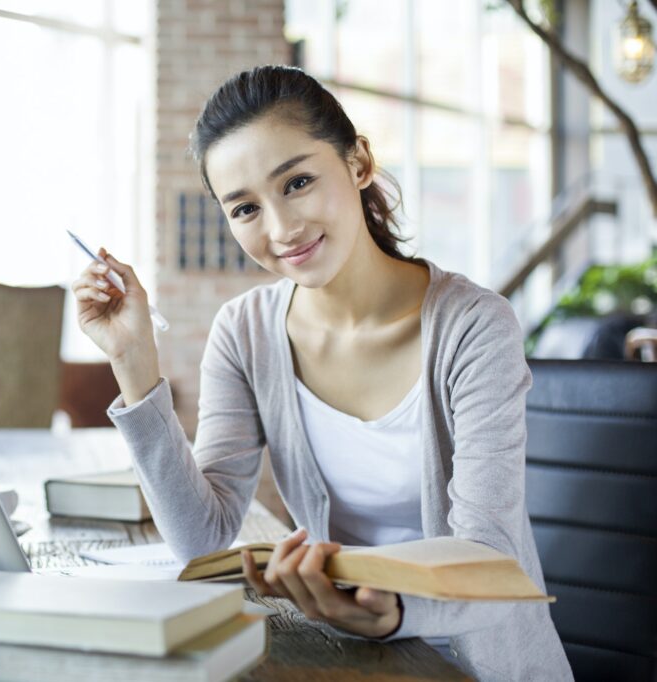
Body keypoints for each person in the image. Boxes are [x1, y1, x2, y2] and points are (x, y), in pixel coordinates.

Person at [72, 65, 571, 681]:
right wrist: (132, 358)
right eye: (246, 207)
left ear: (358, 163)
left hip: (483, 665)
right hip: (352, 659)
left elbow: (488, 558)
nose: (282, 230)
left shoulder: (474, 326)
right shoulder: (245, 331)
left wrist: (381, 611)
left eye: (299, 181)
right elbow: (200, 538)